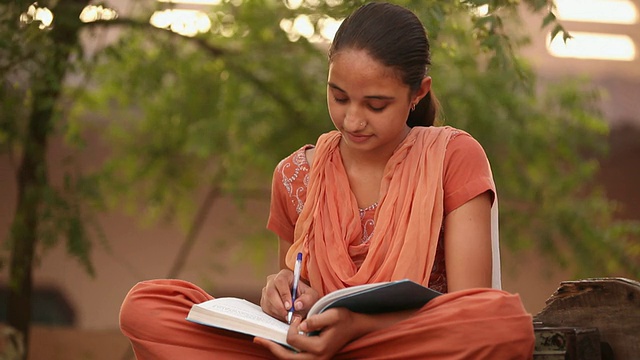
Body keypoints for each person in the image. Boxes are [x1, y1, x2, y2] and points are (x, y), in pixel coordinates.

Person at [119, 2, 535, 359]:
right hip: (321, 350)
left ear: (418, 93)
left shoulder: (453, 157)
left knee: (500, 322)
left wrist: (358, 326)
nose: (352, 120)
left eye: (375, 105)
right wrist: (282, 299)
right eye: (338, 97)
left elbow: (470, 307)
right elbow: (301, 304)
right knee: (147, 305)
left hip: (402, 345)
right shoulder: (294, 174)